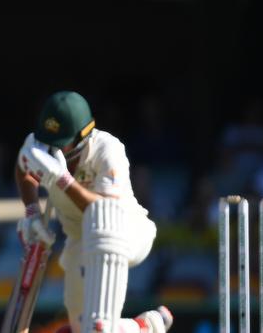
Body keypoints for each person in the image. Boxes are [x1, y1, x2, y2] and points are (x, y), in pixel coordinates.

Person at [15, 91, 172, 333]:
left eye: (61, 141)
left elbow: (103, 210)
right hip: (80, 241)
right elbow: (23, 167)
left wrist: (62, 180)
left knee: (97, 327)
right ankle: (146, 326)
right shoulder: (40, 144)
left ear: (83, 134)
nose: (53, 148)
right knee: (83, 329)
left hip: (124, 232)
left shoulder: (107, 149)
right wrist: (32, 213)